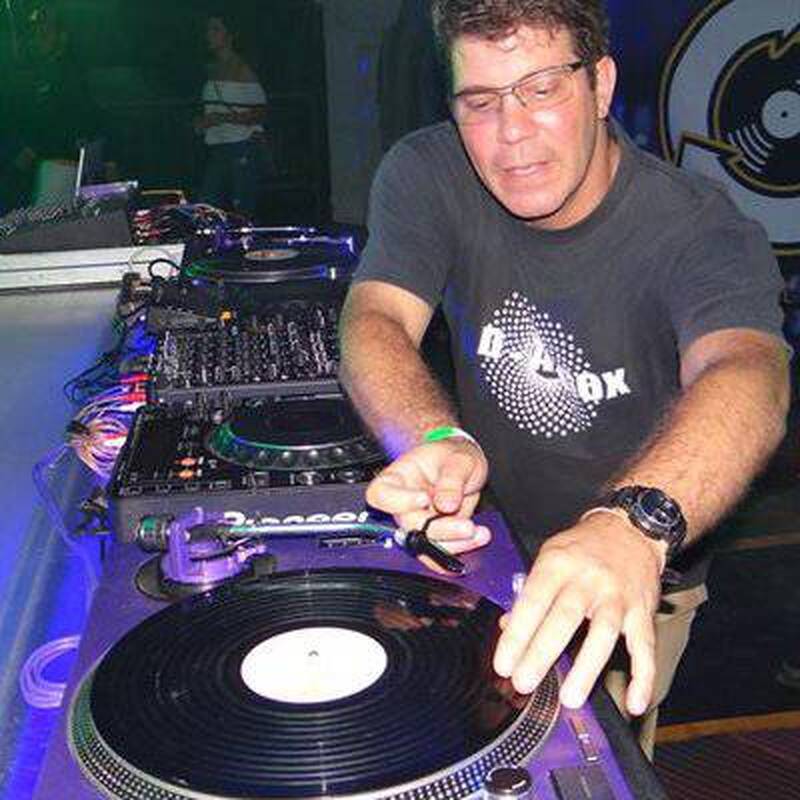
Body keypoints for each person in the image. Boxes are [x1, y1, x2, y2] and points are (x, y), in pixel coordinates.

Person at [338, 0, 790, 758]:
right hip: (484, 547)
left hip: (634, 566)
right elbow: (375, 317)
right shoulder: (426, 172)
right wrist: (432, 438)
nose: (511, 132)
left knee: (584, 767)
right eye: (481, 102)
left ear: (600, 84)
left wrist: (633, 523)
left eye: (541, 89)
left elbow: (750, 374)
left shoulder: (696, 226)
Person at [194, 13, 268, 217]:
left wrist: (222, 118)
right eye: (208, 30)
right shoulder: (212, 69)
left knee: (241, 211)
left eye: (215, 29)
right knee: (207, 207)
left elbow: (261, 112)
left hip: (241, 145)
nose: (209, 35)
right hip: (218, 147)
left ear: (230, 35)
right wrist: (204, 122)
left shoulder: (242, 70)